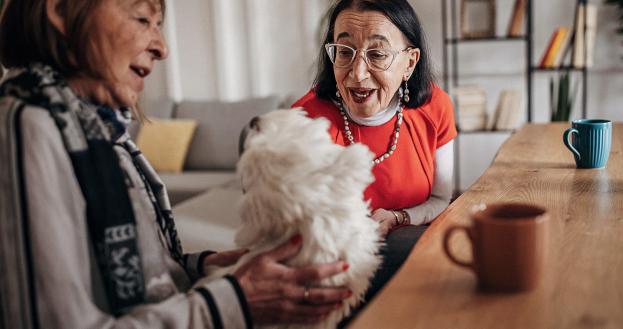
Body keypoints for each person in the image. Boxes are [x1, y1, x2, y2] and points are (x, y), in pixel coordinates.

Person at [0, 0, 352, 328]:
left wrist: (203, 268)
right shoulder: (26, 124)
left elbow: (137, 273)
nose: (162, 48)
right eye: (142, 19)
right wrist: (232, 301)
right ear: (61, 11)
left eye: (159, 25)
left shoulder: (106, 134)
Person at [292, 0, 457, 305]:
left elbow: (440, 199)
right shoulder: (305, 120)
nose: (357, 73)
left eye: (377, 54)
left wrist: (398, 218)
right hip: (333, 271)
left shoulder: (436, 107)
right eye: (344, 52)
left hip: (412, 268)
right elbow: (297, 228)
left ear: (410, 62)